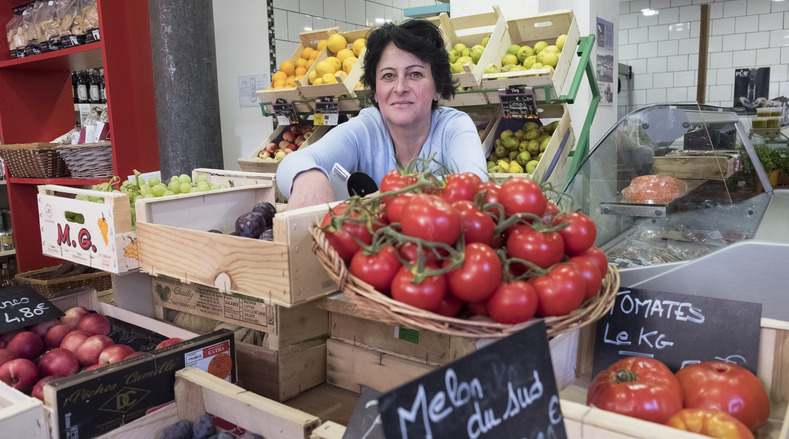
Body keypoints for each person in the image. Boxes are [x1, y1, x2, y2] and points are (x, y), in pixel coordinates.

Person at [276, 19, 488, 210]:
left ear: (438, 87)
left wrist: (384, 198)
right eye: (388, 76)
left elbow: (476, 187)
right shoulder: (366, 128)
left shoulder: (454, 127)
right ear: (375, 91)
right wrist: (307, 176)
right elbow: (293, 163)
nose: (400, 87)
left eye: (415, 74)